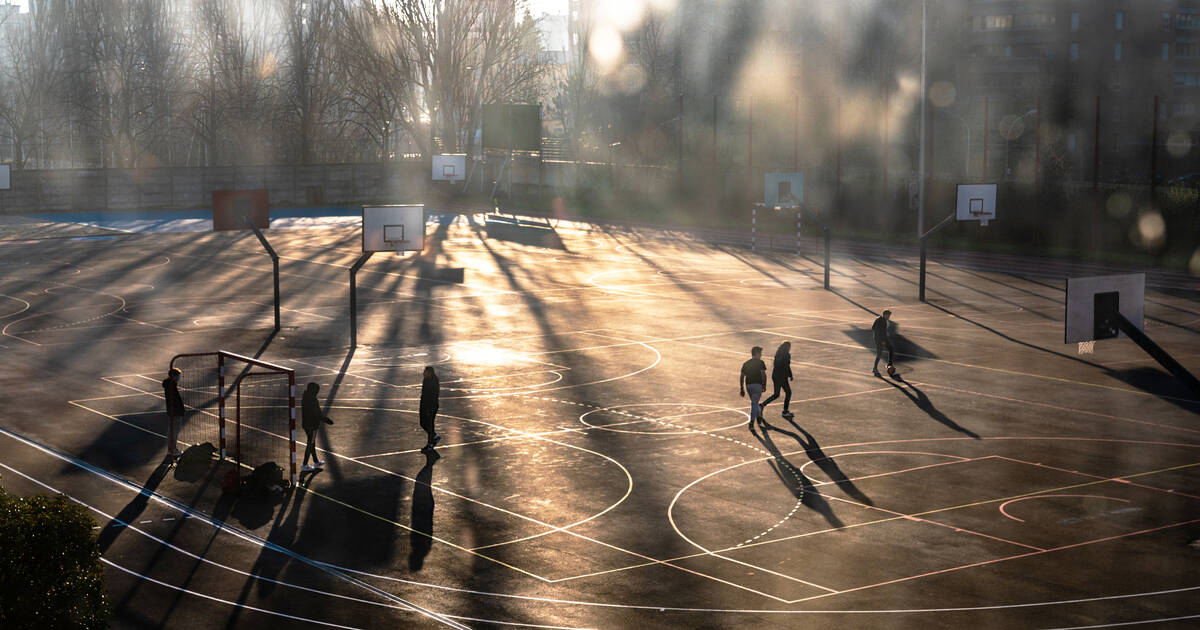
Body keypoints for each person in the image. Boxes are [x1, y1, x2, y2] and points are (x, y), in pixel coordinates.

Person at [301, 382, 333, 472]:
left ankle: (316, 461)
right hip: (312, 426)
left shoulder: (305, 397)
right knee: (310, 444)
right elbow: (317, 414)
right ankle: (304, 464)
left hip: (306, 424)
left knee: (312, 443)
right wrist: (327, 420)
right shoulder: (313, 400)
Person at [759, 341, 794, 419]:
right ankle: (785, 411)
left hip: (775, 375)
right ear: (787, 347)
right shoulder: (786, 355)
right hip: (781, 377)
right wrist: (790, 375)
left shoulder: (778, 353)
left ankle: (762, 405)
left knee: (776, 394)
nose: (790, 348)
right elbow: (786, 366)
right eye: (789, 347)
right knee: (788, 392)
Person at [739, 346, 768, 429]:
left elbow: (742, 376)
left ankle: (759, 416)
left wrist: (742, 388)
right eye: (760, 353)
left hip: (749, 386)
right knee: (754, 403)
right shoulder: (761, 362)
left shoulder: (746, 363)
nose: (761, 355)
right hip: (757, 385)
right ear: (757, 353)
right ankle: (752, 422)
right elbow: (763, 374)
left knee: (754, 402)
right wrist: (764, 384)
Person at [162, 368, 185, 459]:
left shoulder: (170, 385)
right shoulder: (171, 386)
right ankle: (172, 450)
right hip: (175, 412)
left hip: (173, 411)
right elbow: (175, 401)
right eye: (178, 376)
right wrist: (180, 411)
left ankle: (171, 449)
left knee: (172, 430)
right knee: (174, 431)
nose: (179, 377)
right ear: (174, 377)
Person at [419, 366, 441, 452]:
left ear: (430, 373)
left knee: (430, 424)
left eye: (425, 372)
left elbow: (434, 396)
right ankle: (435, 436)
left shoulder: (434, 382)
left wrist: (430, 408)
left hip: (432, 406)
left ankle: (430, 444)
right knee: (422, 423)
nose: (423, 373)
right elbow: (423, 394)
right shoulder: (425, 380)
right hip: (424, 405)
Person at [872, 309, 894, 376]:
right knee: (879, 353)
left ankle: (889, 364)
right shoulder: (883, 321)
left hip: (878, 338)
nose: (889, 317)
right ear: (885, 315)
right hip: (880, 339)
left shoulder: (878, 318)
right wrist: (883, 341)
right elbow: (882, 332)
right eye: (888, 315)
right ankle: (875, 368)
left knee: (890, 349)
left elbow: (873, 328)